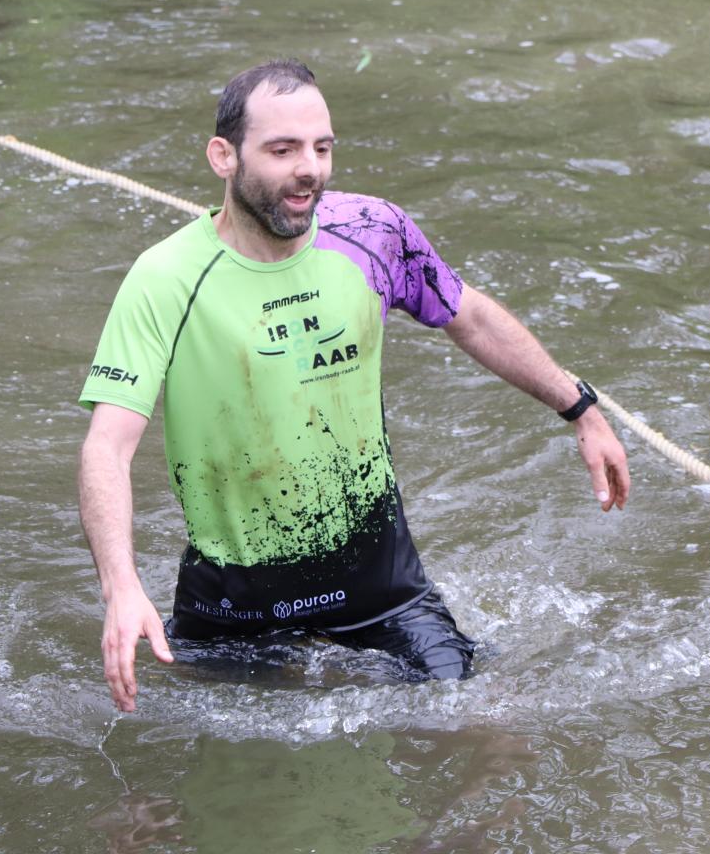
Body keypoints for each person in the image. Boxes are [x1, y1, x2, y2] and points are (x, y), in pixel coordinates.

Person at [77, 59, 631, 711]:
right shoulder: (166, 277)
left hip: (381, 586)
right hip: (234, 606)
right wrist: (122, 587)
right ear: (223, 156)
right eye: (282, 150)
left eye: (321, 147)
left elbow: (471, 317)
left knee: (480, 733)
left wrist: (582, 409)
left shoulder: (374, 234)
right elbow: (106, 447)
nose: (308, 168)